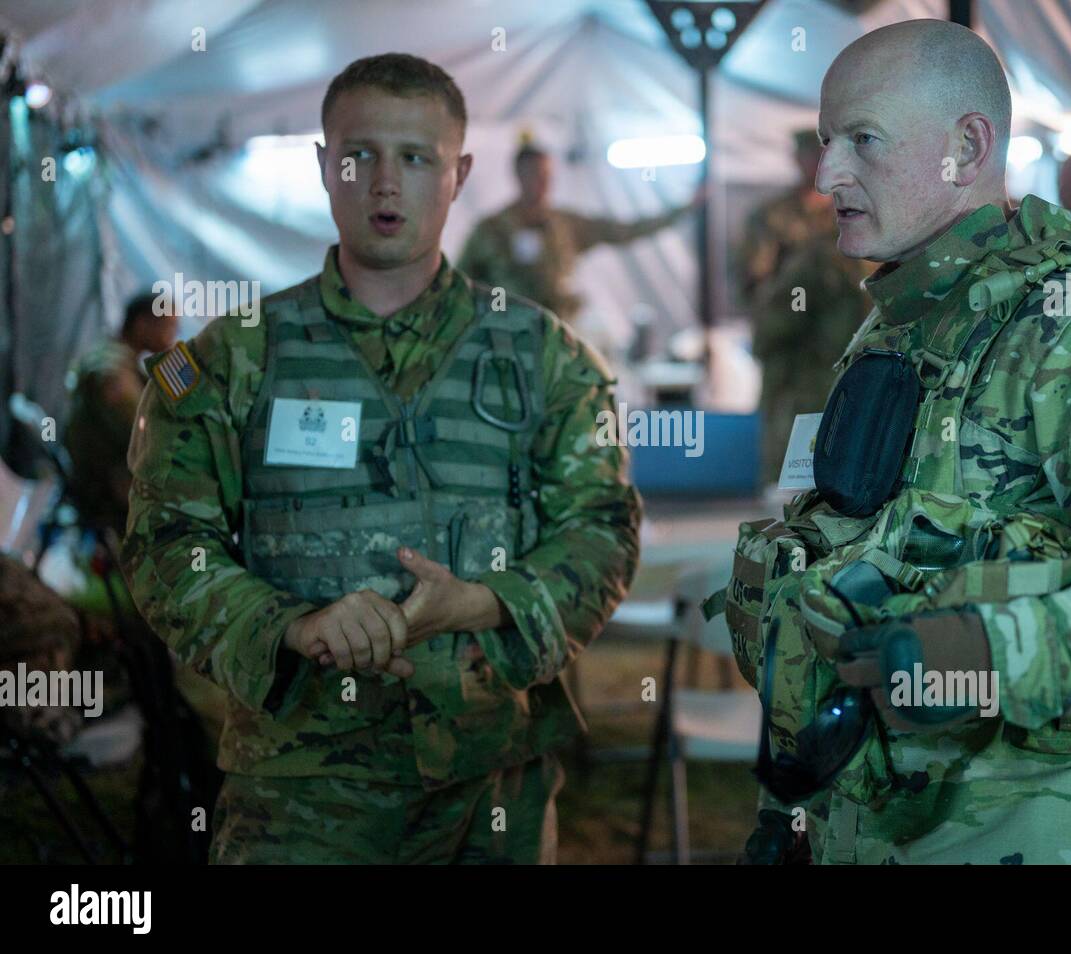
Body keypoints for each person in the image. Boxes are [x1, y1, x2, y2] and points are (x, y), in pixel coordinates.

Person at [721, 19, 1071, 865]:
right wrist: (794, 809)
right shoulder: (902, 322)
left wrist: (985, 654)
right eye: (828, 140)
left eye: (863, 140)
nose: (827, 172)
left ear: (967, 147)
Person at [123, 53, 641, 864]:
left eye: (417, 158)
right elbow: (165, 546)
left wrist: (481, 603)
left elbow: (601, 533)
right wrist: (291, 624)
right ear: (325, 166)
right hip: (302, 796)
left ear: (460, 173)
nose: (385, 185)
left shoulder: (547, 359)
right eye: (360, 156)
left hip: (490, 787)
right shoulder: (230, 363)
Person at [741, 130, 875, 480]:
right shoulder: (772, 216)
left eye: (823, 155)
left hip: (840, 339)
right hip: (793, 345)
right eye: (809, 156)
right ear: (796, 160)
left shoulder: (856, 210)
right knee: (790, 449)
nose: (817, 164)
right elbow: (753, 283)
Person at [458, 140, 694, 325]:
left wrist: (683, 210)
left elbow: (622, 231)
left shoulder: (565, 225)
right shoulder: (491, 230)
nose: (543, 184)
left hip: (560, 334)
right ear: (519, 175)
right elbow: (462, 285)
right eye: (536, 176)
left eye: (547, 177)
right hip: (508, 337)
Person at [65, 293, 177, 535]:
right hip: (102, 488)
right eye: (168, 327)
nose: (171, 338)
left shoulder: (117, 359)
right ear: (142, 324)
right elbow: (140, 435)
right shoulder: (113, 369)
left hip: (103, 477)